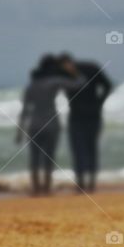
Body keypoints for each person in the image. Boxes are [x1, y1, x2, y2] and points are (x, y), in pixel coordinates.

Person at [16, 55, 82, 196]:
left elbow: (25, 110)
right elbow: (78, 84)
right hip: (52, 124)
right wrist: (73, 71)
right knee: (49, 158)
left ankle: (36, 188)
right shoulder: (54, 81)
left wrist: (19, 131)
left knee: (34, 159)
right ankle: (46, 188)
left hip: (34, 124)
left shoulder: (32, 86)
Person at [57, 53, 112, 193]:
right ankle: (80, 183)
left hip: (92, 116)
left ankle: (91, 183)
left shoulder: (90, 68)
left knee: (90, 148)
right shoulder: (64, 74)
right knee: (77, 150)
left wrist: (99, 103)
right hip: (76, 116)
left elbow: (108, 85)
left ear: (69, 62)